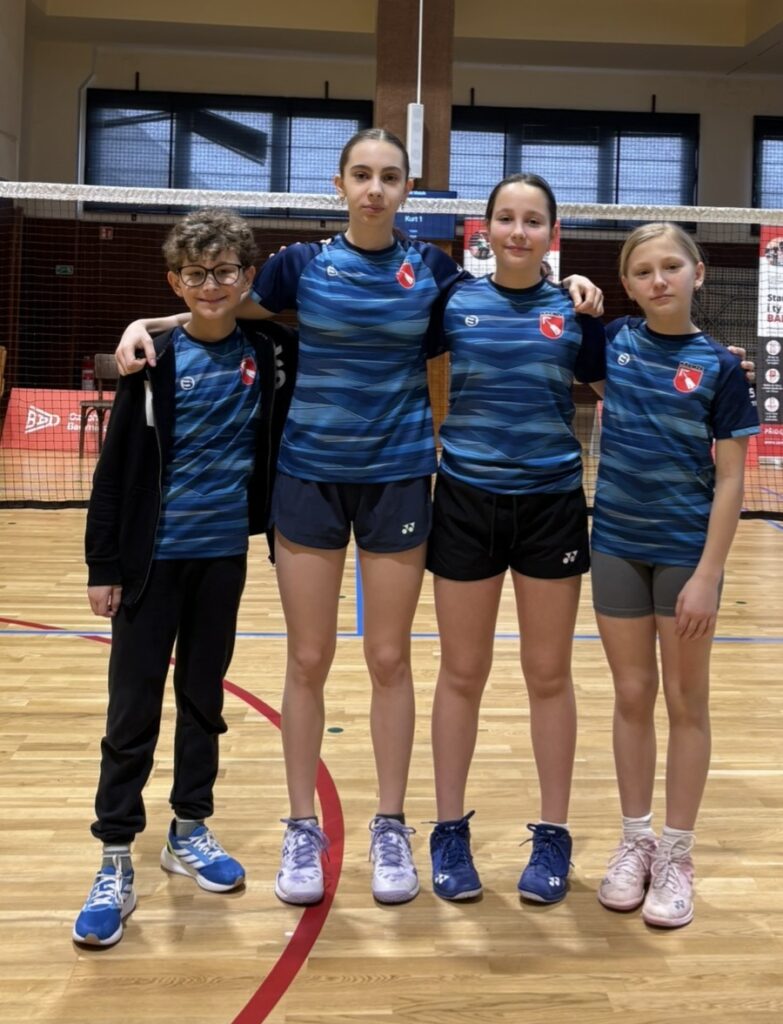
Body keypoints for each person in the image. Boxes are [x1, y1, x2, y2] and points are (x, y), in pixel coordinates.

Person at [114, 130, 604, 906]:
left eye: (389, 177)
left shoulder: (433, 272)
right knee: (307, 658)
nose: (375, 188)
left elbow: (509, 298)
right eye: (362, 175)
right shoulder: (300, 265)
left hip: (399, 478)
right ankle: (301, 826)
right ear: (339, 185)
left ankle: (389, 824)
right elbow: (220, 305)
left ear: (407, 189)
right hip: (308, 477)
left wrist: (569, 282)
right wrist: (149, 324)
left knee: (388, 658)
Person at [73, 209, 296, 946]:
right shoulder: (152, 361)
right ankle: (115, 851)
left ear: (246, 276)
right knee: (131, 709)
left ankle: (188, 828)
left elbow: (284, 323)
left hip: (221, 559)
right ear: (176, 281)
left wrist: (149, 315)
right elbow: (113, 474)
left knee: (203, 700)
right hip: (148, 564)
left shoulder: (268, 351)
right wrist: (102, 566)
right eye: (195, 275)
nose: (210, 285)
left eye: (224, 271)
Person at [425, 173, 607, 904]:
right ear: (486, 230)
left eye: (533, 220)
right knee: (461, 672)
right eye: (506, 218)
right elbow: (368, 344)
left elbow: (626, 384)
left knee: (548, 674)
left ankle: (553, 834)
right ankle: (447, 831)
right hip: (465, 500)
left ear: (551, 234)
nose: (518, 231)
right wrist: (164, 323)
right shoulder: (452, 302)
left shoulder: (574, 312)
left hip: (551, 504)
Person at [590, 223, 759, 928]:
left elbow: (732, 481)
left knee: (686, 700)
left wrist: (708, 574)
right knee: (632, 694)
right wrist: (575, 291)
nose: (658, 280)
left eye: (670, 266)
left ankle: (677, 855)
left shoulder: (720, 367)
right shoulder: (612, 343)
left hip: (686, 554)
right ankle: (636, 842)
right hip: (615, 546)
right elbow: (551, 325)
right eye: (642, 271)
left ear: (697, 272)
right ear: (627, 286)